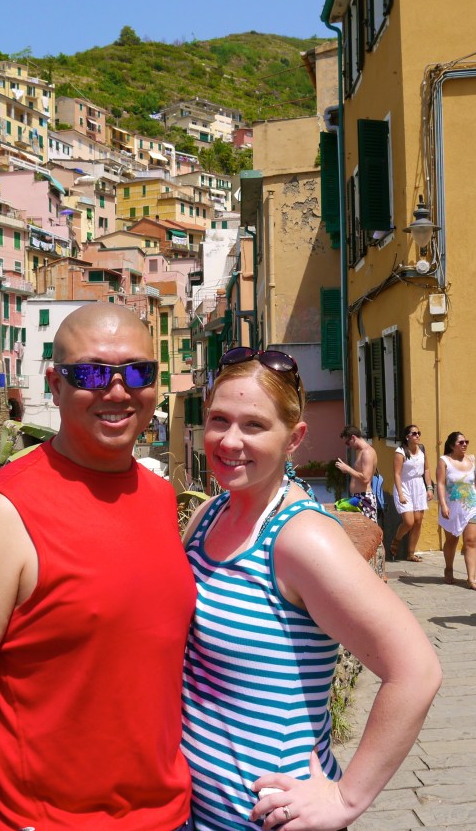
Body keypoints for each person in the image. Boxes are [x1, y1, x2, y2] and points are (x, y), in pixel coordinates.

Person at [0, 303, 195, 831]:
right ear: (54, 385)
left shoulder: (157, 496)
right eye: (90, 373)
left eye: (138, 372)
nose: (117, 391)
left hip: (171, 818)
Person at [182, 347, 441, 831]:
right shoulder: (207, 516)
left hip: (266, 820)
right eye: (219, 419)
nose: (229, 440)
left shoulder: (301, 539)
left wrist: (345, 798)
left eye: (254, 425)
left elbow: (416, 671)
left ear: (293, 438)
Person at [437, 430, 476, 589]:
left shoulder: (473, 460)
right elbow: (440, 483)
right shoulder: (444, 461)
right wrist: (443, 504)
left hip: (471, 507)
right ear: (451, 445)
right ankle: (449, 568)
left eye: (466, 442)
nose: (464, 445)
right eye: (461, 442)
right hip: (451, 508)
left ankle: (471, 579)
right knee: (452, 540)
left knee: (471, 542)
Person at [389, 424, 433, 562]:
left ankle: (411, 553)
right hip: (404, 486)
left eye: (419, 433)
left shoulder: (422, 450)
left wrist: (430, 487)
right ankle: (396, 540)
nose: (418, 436)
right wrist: (401, 494)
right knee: (409, 522)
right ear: (407, 436)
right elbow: (396, 474)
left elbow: (426, 470)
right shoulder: (400, 452)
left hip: (419, 486)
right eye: (414, 433)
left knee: (418, 521)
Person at [335, 425, 379, 521]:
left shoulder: (367, 452)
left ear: (353, 438)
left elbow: (365, 478)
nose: (348, 446)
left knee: (368, 533)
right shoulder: (362, 452)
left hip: (365, 499)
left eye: (347, 443)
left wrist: (348, 469)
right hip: (359, 497)